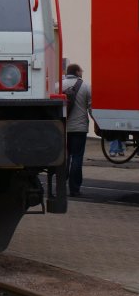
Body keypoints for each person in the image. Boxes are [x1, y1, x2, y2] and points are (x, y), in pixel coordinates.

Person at [62, 63, 92, 196]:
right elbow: (91, 108)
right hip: (79, 128)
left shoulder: (58, 85)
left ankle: (60, 186)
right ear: (78, 72)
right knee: (77, 157)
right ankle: (74, 189)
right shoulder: (86, 86)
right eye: (82, 70)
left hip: (62, 128)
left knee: (64, 157)